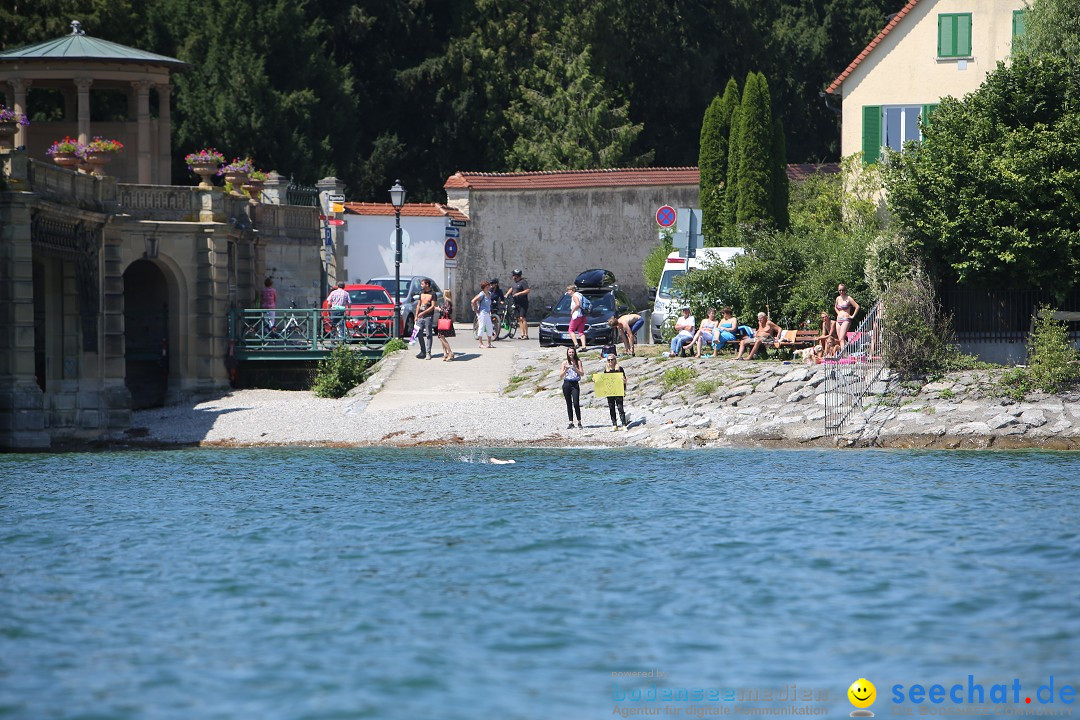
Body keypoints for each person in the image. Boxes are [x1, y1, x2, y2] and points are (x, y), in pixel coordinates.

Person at [602, 354, 628, 431]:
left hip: (618, 391)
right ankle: (614, 425)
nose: (610, 361)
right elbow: (604, 381)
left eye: (612, 359)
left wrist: (624, 381)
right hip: (610, 391)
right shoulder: (606, 370)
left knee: (620, 407)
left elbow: (624, 380)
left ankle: (623, 424)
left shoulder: (619, 369)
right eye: (609, 360)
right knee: (611, 407)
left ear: (615, 360)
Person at [560, 347, 584, 429]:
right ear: (567, 353)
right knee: (568, 403)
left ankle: (579, 421)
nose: (571, 354)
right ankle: (571, 422)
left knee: (576, 403)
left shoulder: (578, 362)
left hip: (575, 384)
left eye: (572, 352)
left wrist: (575, 368)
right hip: (567, 383)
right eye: (569, 352)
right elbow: (561, 375)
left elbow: (582, 373)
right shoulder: (564, 362)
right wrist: (566, 370)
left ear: (575, 353)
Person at [414, 278, 437, 359]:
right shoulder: (421, 293)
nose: (421, 285)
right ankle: (422, 351)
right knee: (418, 333)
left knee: (428, 334)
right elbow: (418, 304)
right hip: (420, 317)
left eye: (422, 284)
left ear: (427, 284)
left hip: (428, 316)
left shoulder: (433, 294)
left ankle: (428, 352)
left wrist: (423, 313)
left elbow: (433, 306)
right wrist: (416, 315)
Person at [834, 284, 861, 351]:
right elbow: (835, 307)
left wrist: (852, 316)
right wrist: (839, 313)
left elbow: (857, 307)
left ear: (845, 290)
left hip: (846, 319)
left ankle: (843, 355)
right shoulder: (838, 298)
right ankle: (846, 352)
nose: (841, 291)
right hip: (838, 319)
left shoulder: (848, 298)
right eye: (840, 290)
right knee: (840, 339)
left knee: (841, 338)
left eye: (843, 290)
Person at [507, 269, 531, 339]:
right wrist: (507, 294)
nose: (512, 277)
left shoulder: (523, 282)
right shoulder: (514, 283)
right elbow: (511, 288)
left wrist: (518, 293)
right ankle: (522, 334)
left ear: (516, 276)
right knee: (518, 319)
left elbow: (527, 290)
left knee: (522, 318)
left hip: (523, 303)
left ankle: (526, 334)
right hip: (516, 303)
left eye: (513, 275)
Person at [471, 281, 495, 349]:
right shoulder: (482, 294)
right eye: (486, 287)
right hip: (482, 313)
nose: (488, 288)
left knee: (489, 327)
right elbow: (473, 301)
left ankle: (489, 343)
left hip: (487, 313)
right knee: (481, 327)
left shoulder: (489, 294)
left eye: (488, 286)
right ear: (483, 288)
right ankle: (480, 343)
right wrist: (476, 310)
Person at [566, 284, 588, 351]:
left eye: (568, 291)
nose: (568, 292)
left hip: (577, 315)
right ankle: (584, 346)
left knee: (571, 330)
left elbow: (578, 304)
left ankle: (576, 344)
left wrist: (572, 310)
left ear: (572, 290)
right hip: (583, 315)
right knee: (581, 331)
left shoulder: (574, 296)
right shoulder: (580, 295)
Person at [437, 289, 456, 361]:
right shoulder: (447, 302)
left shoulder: (448, 302)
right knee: (441, 337)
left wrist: (439, 310)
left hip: (444, 321)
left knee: (442, 337)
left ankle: (450, 353)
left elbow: (447, 312)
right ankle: (445, 353)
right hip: (443, 320)